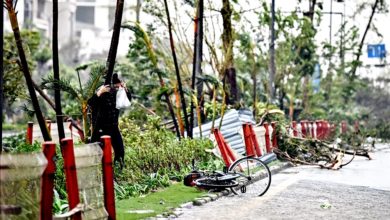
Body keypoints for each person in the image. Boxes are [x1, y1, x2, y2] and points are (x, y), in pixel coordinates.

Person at [88, 73, 131, 169]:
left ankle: (118, 171)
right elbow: (90, 103)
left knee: (120, 151)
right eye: (117, 85)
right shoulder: (102, 89)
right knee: (95, 151)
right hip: (100, 127)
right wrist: (100, 92)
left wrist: (125, 90)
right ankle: (95, 170)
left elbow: (127, 101)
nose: (118, 87)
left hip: (114, 127)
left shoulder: (118, 92)